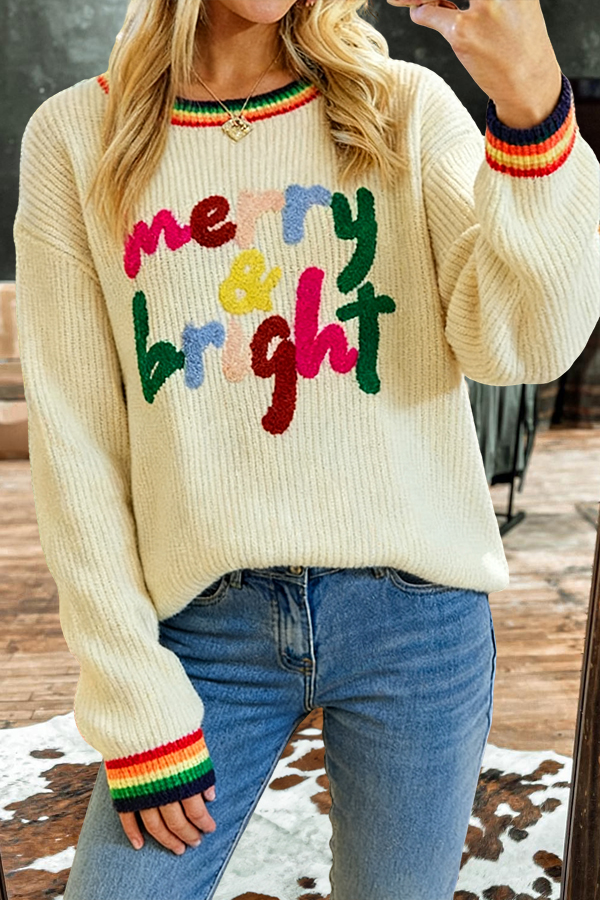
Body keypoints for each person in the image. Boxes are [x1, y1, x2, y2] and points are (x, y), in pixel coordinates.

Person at [13, 0, 600, 897]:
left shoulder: (404, 106)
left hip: (417, 622)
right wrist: (131, 693)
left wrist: (531, 107)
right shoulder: (75, 136)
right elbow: (76, 442)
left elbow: (522, 348)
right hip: (205, 630)